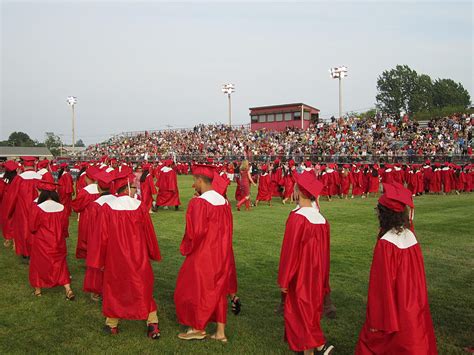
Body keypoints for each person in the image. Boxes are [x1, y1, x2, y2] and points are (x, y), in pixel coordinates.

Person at [355, 182, 437, 354]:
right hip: (414, 300)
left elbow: (381, 287)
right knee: (413, 337)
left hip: (395, 303)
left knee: (382, 343)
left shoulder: (386, 244)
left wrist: (377, 320)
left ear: (384, 215)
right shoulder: (410, 235)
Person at [89, 170, 162, 338]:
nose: (136, 190)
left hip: (115, 258)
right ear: (128, 188)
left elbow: (101, 237)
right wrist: (152, 252)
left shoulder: (107, 209)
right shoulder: (140, 207)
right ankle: (152, 323)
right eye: (134, 187)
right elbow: (149, 233)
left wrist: (98, 260)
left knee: (115, 289)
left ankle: (112, 325)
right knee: (143, 288)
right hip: (138, 256)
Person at [175, 164, 236, 342]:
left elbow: (195, 232)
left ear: (201, 181)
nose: (194, 184)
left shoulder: (199, 203)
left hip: (204, 254)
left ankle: (197, 328)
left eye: (195, 181)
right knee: (218, 289)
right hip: (222, 253)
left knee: (196, 289)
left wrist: (186, 247)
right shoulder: (223, 202)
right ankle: (220, 332)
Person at [278, 171, 335, 355]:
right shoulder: (321, 219)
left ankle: (320, 345)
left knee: (297, 312)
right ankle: (310, 350)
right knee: (311, 311)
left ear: (299, 192)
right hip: (317, 273)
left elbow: (290, 252)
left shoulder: (297, 218)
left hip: (300, 274)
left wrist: (284, 280)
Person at [29, 180, 74, 300]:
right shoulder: (62, 208)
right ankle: (68, 289)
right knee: (61, 264)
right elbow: (65, 227)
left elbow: (32, 227)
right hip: (58, 241)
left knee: (38, 265)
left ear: (42, 193)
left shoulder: (38, 208)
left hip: (42, 242)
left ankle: (38, 291)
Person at [84, 169, 116, 301]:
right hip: (115, 240)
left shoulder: (95, 205)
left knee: (98, 265)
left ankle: (97, 291)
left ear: (98, 187)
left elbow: (92, 228)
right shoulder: (117, 201)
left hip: (99, 239)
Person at [4, 156, 42, 259]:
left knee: (24, 229)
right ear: (34, 165)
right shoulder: (40, 177)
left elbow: (12, 197)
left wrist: (8, 212)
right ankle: (36, 250)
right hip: (38, 208)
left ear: (23, 165)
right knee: (37, 229)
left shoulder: (19, 179)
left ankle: (26, 252)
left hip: (22, 209)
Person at [71, 166, 100, 260]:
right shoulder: (101, 189)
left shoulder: (85, 191)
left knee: (87, 238)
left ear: (87, 178)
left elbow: (77, 206)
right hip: (100, 218)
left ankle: (89, 257)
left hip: (87, 218)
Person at [0, 160, 19, 248]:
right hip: (16, 202)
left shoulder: (3, 181)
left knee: (7, 220)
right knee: (16, 221)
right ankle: (16, 242)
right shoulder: (19, 180)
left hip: (6, 203)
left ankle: (8, 240)